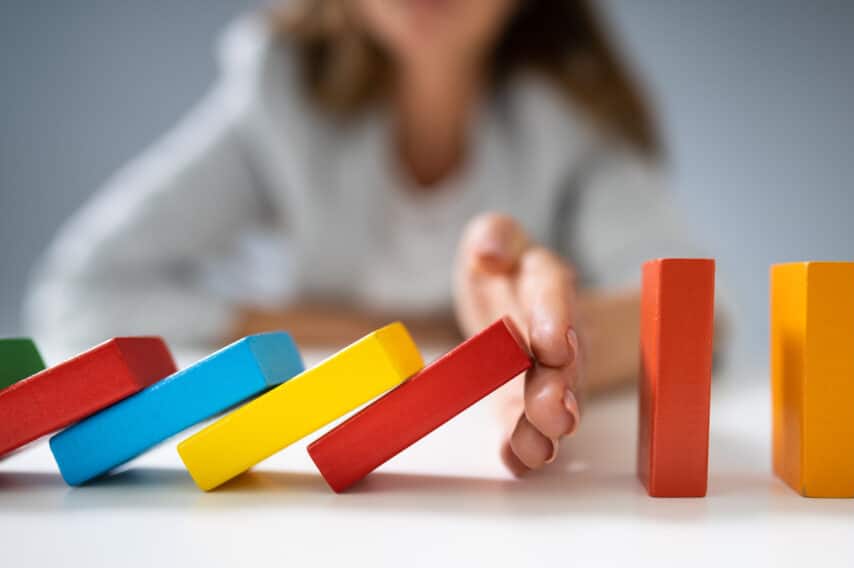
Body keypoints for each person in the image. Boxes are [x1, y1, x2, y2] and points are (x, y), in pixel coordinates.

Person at [26, 0, 702, 475]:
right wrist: (430, 332)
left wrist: (559, 340)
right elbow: (81, 292)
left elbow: (701, 318)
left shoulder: (571, 114)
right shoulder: (281, 89)